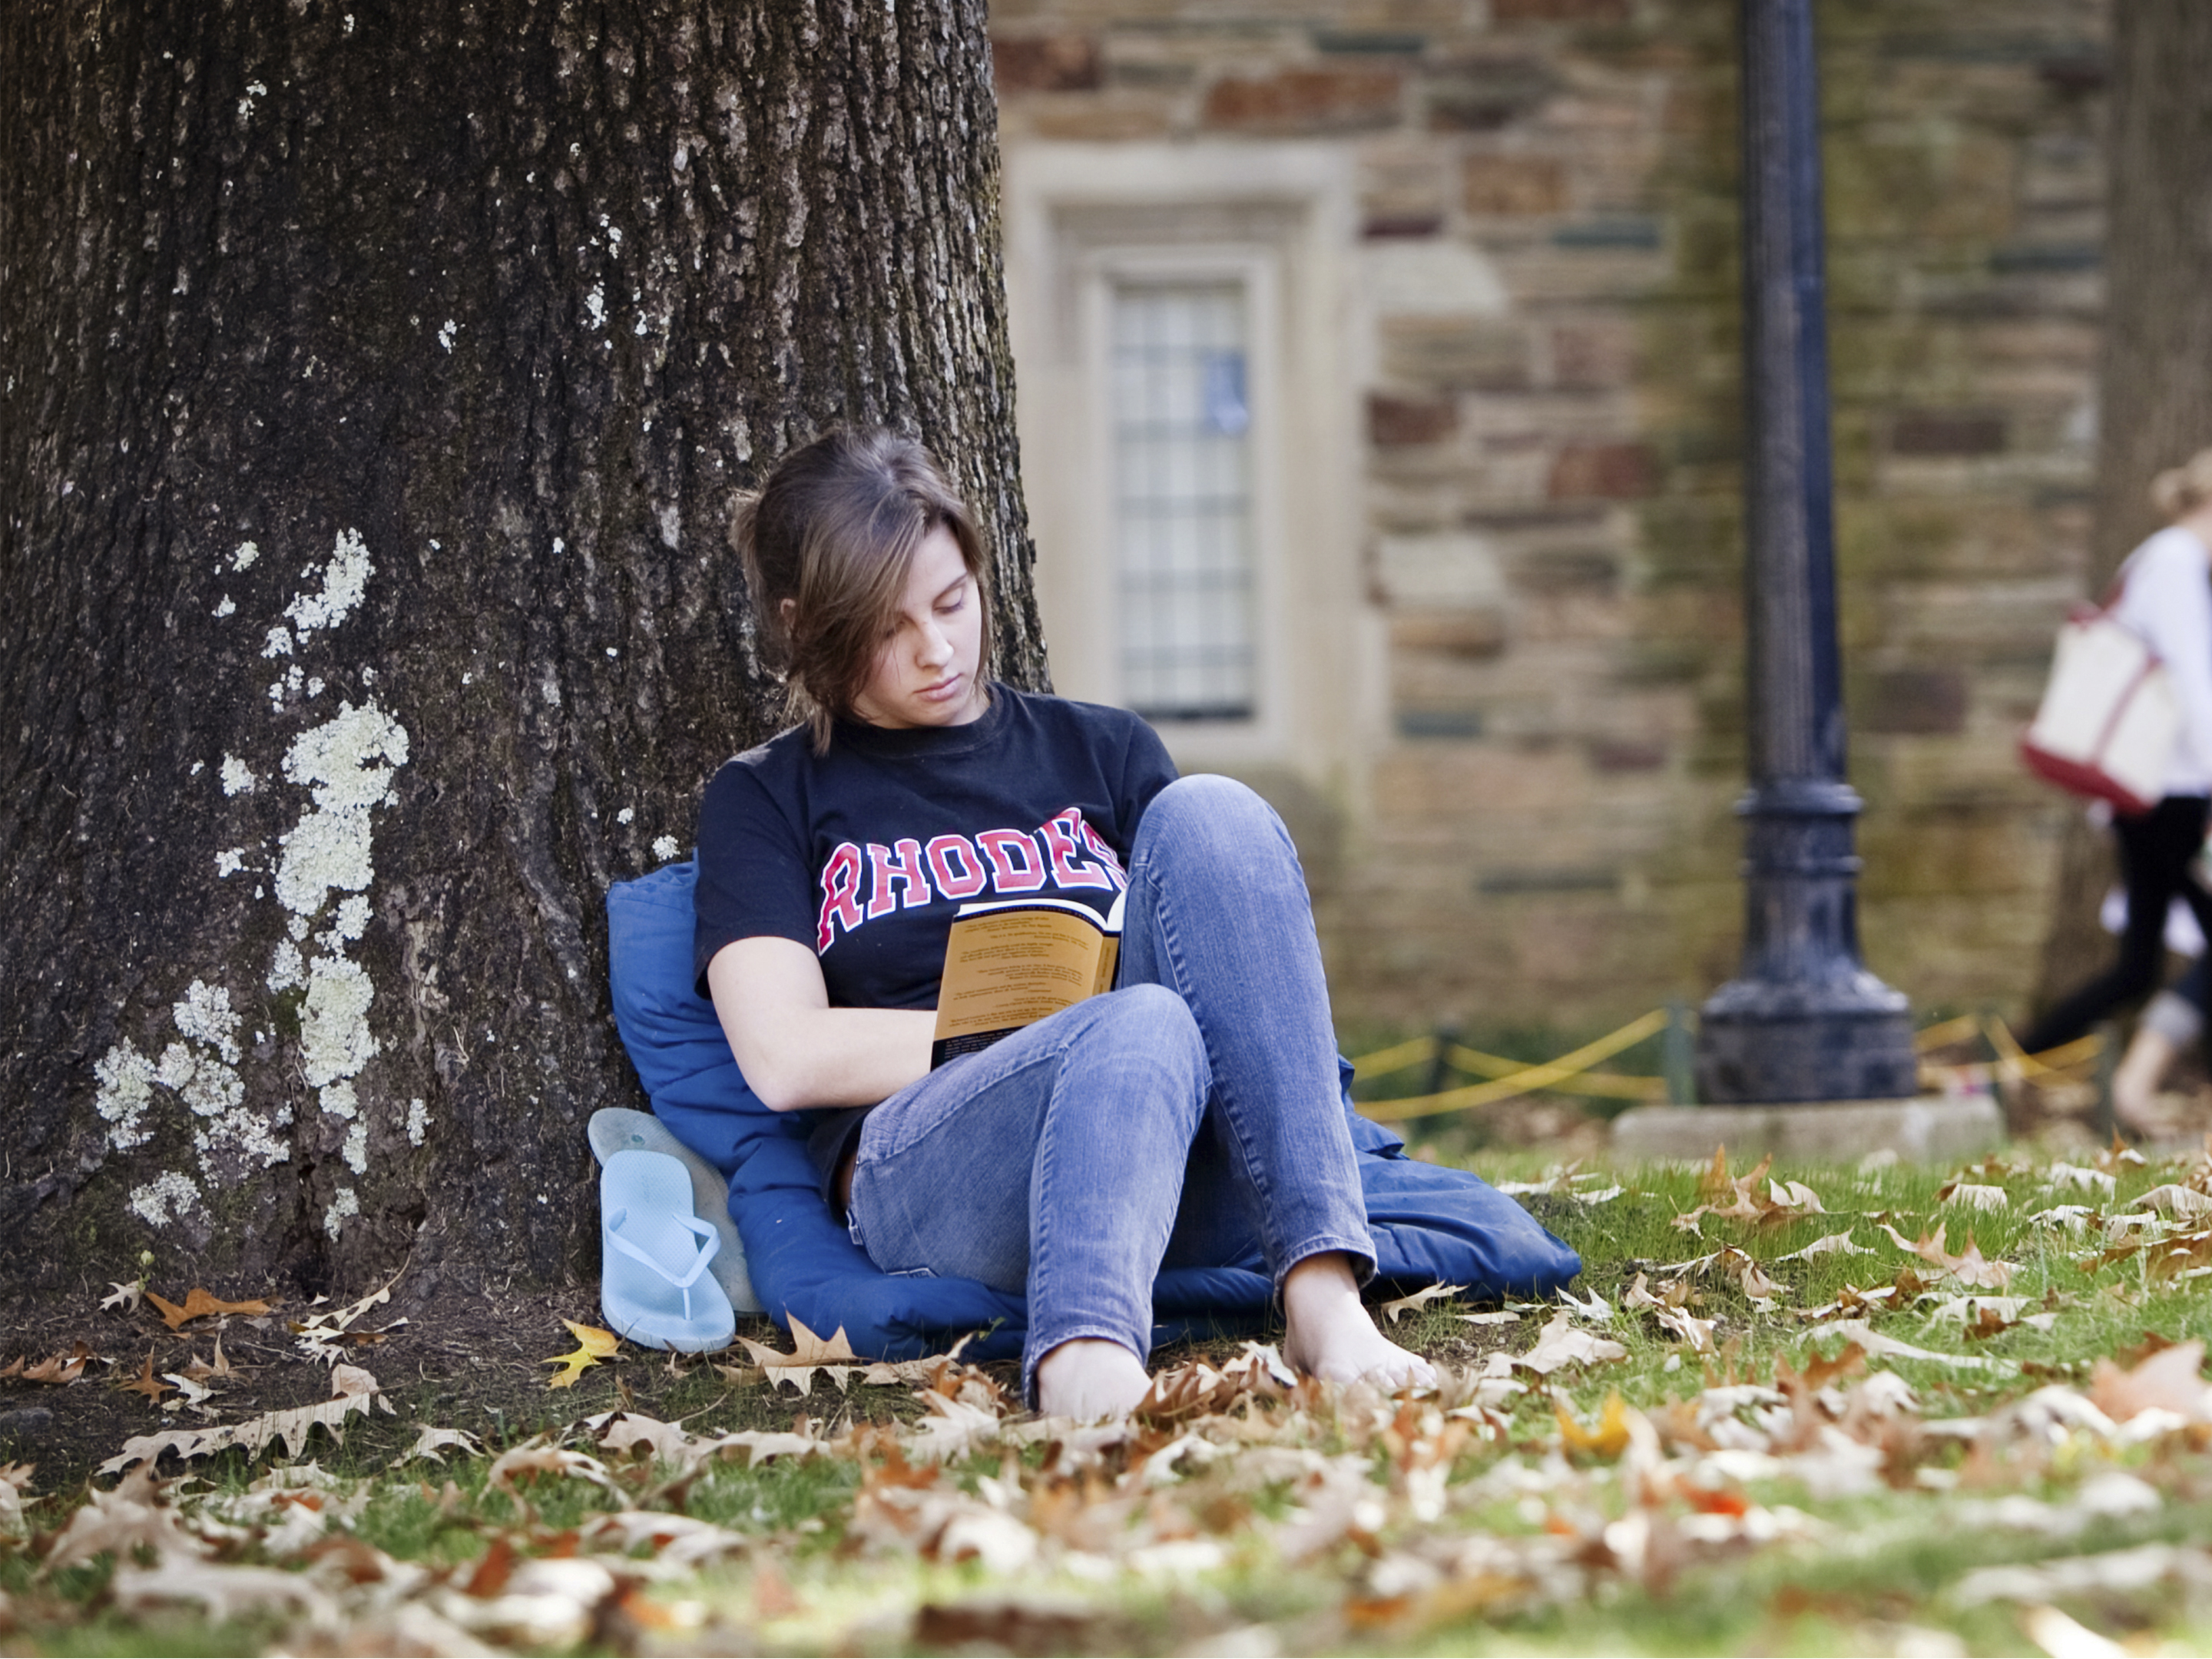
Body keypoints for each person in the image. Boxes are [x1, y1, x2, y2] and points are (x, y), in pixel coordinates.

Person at [692, 429, 1435, 1419]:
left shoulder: (1105, 749)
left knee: (1215, 815)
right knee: (1139, 1021)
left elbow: (1226, 964)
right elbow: (785, 1056)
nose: (938, 649)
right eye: (886, 627)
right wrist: (1035, 1034)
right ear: (805, 627)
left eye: (953, 602)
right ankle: (1085, 1362)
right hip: (947, 1170)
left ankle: (1322, 1302)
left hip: (1174, 1149)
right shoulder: (767, 796)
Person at [2024, 447, 2212, 1082]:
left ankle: (2020, 1061)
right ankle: (2099, 1077)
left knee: (2137, 967)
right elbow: (2194, 680)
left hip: (2157, 794)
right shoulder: (2175, 562)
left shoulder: (2166, 560)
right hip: (2171, 795)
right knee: (2142, 963)